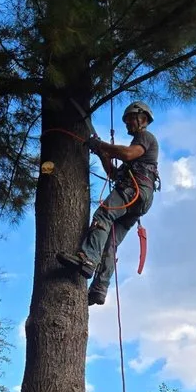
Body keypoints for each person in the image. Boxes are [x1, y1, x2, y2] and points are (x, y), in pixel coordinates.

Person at [57, 100, 159, 305]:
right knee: (111, 241)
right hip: (139, 199)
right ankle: (99, 288)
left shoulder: (145, 137)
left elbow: (127, 154)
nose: (127, 124)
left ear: (142, 118)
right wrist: (103, 154)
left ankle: (87, 259)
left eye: (130, 119)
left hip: (133, 191)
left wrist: (101, 145)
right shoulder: (137, 157)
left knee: (104, 215)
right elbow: (113, 174)